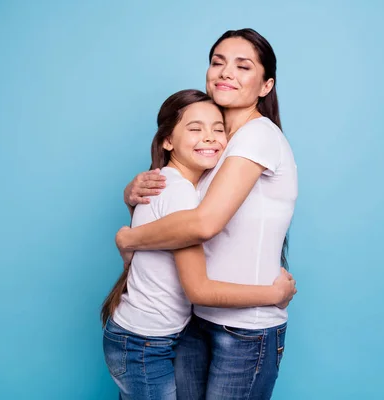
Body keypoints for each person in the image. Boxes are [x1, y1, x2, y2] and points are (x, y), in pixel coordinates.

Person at [117, 28, 298, 400]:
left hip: (245, 329)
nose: (226, 72)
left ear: (266, 86)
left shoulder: (257, 137)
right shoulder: (215, 143)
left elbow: (203, 224)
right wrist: (132, 194)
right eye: (218, 62)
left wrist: (129, 237)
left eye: (242, 66)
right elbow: (174, 205)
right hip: (196, 318)